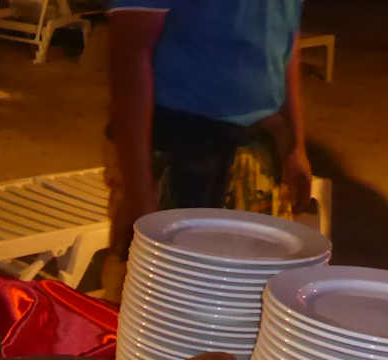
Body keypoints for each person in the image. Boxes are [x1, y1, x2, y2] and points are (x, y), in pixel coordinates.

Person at [102, 0, 312, 299]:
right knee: (165, 300)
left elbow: (286, 40)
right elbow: (129, 54)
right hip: (174, 152)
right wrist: (139, 196)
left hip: (258, 150)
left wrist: (296, 146)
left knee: (248, 298)